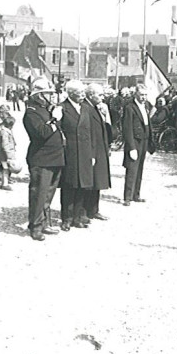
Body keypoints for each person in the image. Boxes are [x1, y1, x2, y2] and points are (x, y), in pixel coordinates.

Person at [23, 77, 65, 241]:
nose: (52, 96)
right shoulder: (32, 112)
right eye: (48, 94)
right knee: (39, 194)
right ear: (40, 95)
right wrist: (54, 119)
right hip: (41, 159)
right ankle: (35, 226)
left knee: (48, 194)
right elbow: (42, 133)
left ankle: (44, 222)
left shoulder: (46, 109)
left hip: (55, 157)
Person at [59, 80, 93, 230]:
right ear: (71, 94)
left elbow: (90, 132)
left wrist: (92, 153)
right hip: (70, 152)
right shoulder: (63, 108)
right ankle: (66, 217)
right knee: (69, 185)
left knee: (82, 185)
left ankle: (77, 217)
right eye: (80, 93)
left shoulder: (86, 108)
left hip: (85, 152)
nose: (83, 96)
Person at [83, 83, 111, 220]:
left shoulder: (96, 108)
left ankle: (94, 209)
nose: (102, 97)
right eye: (99, 94)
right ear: (91, 95)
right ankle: (85, 210)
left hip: (100, 148)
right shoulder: (86, 108)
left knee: (97, 181)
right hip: (92, 150)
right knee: (90, 182)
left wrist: (106, 116)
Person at [122, 84, 154, 206]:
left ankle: (136, 194)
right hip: (135, 141)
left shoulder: (145, 106)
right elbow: (127, 128)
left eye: (145, 95)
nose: (143, 97)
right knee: (132, 168)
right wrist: (131, 147)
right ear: (136, 94)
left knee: (140, 168)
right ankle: (127, 197)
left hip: (144, 140)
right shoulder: (130, 107)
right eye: (141, 95)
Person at [0, 115, 17, 191]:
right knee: (5, 169)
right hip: (4, 154)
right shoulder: (5, 132)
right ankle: (4, 184)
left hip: (5, 153)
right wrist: (9, 156)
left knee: (4, 168)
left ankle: (2, 181)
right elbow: (5, 145)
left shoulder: (5, 131)